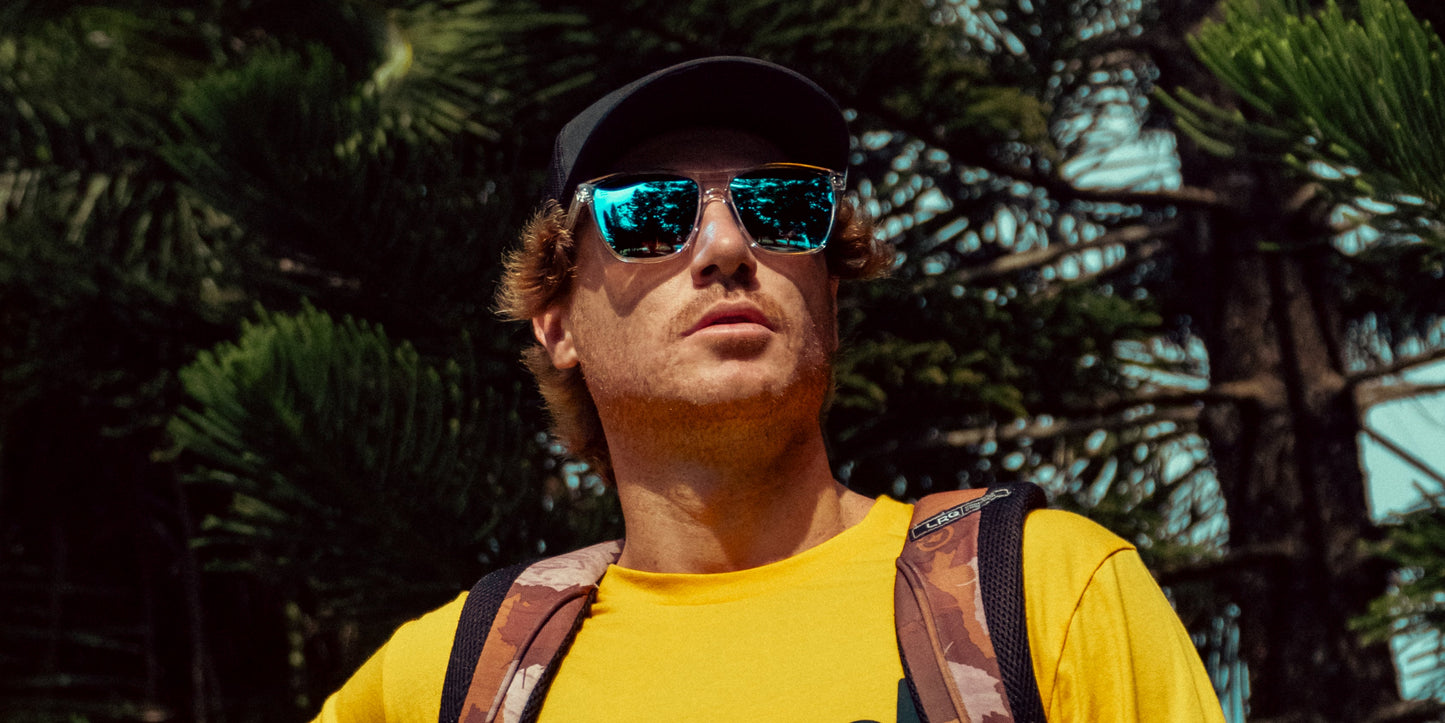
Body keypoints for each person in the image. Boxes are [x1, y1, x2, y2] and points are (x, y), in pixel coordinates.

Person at [313, 56, 1226, 723]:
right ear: (557, 323)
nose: (723, 248)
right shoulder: (451, 678)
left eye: (782, 206)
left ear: (829, 283)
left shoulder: (1041, 597)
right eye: (647, 212)